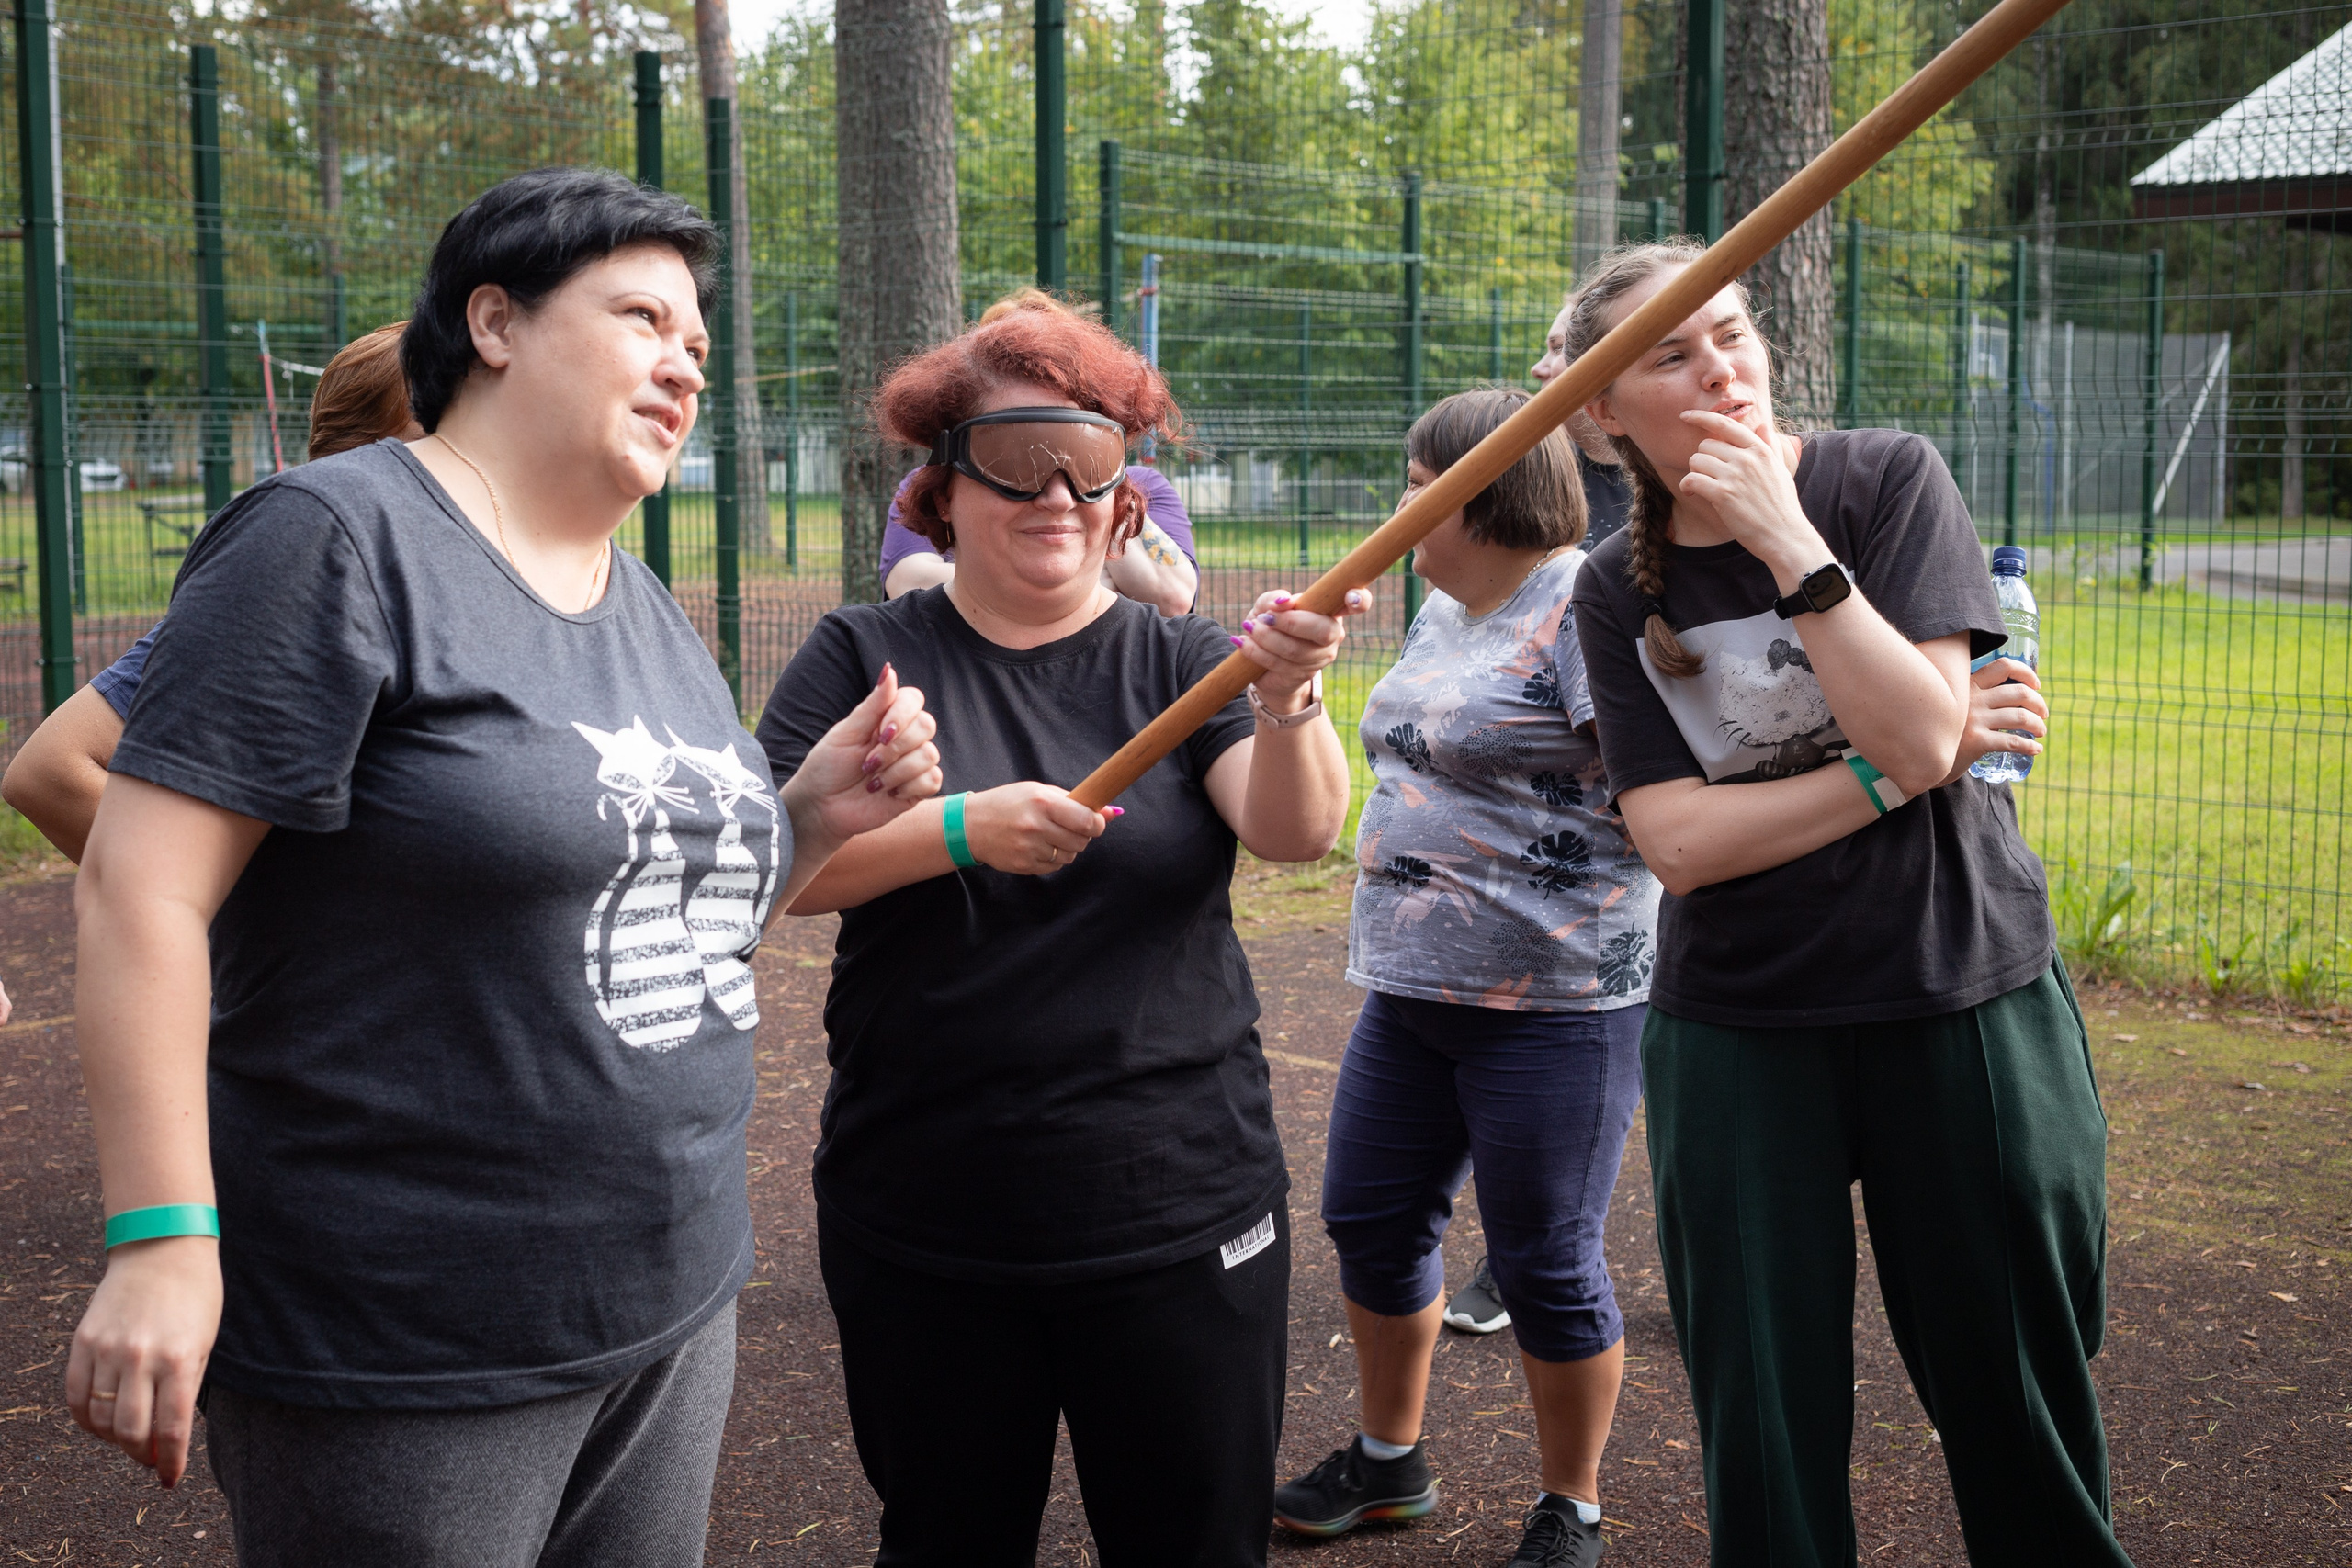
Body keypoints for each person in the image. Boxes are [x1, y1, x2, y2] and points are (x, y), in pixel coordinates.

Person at [62, 168, 942, 1564]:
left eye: (698, 343)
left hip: (669, 1293)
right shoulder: (337, 537)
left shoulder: (638, 594)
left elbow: (651, 915)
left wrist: (812, 816)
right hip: (411, 1325)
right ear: (495, 321)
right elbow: (135, 885)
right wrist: (165, 1232)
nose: (682, 362)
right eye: (642, 315)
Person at [755, 301, 1365, 1568]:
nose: (1060, 499)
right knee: (948, 1536)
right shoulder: (864, 654)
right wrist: (961, 829)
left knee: (1196, 1540)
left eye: (1092, 469)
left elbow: (1294, 830)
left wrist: (1290, 695)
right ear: (939, 489)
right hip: (926, 1205)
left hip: (1177, 1201)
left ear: (1127, 492)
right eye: (1020, 465)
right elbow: (778, 872)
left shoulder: (1187, 661)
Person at [1561, 240, 2122, 1568]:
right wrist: (1896, 760)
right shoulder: (1611, 586)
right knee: (1761, 1402)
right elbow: (1685, 841)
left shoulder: (1882, 480)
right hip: (1744, 1024)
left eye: (1737, 334)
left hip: (1963, 984)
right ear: (1600, 414)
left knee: (2018, 1383)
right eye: (1672, 355)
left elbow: (1928, 741)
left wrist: (1783, 535)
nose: (1724, 369)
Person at [1272, 388, 1657, 1568]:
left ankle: (1570, 1507)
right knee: (1371, 1222)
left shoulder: (1586, 608)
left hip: (1558, 1004)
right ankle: (1391, 1462)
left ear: (1479, 493)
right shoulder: (1442, 608)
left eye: (1415, 475)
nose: (1397, 502)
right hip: (1410, 990)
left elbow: (1659, 796)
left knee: (1546, 1259)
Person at [1, 321, 422, 863]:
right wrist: (230, 893)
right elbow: (50, 773)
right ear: (354, 460)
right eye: (434, 442)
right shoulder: (292, 590)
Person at [1443, 296, 1640, 1343]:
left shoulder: (1666, 494)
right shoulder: (1556, 490)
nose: (1537, 365)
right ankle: (1516, 1257)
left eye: (1560, 349)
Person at [881, 289, 1200, 615]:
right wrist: (1079, 585)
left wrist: (1101, 486)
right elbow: (910, 584)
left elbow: (1172, 596)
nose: (1059, 499)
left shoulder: (1146, 487)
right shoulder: (939, 482)